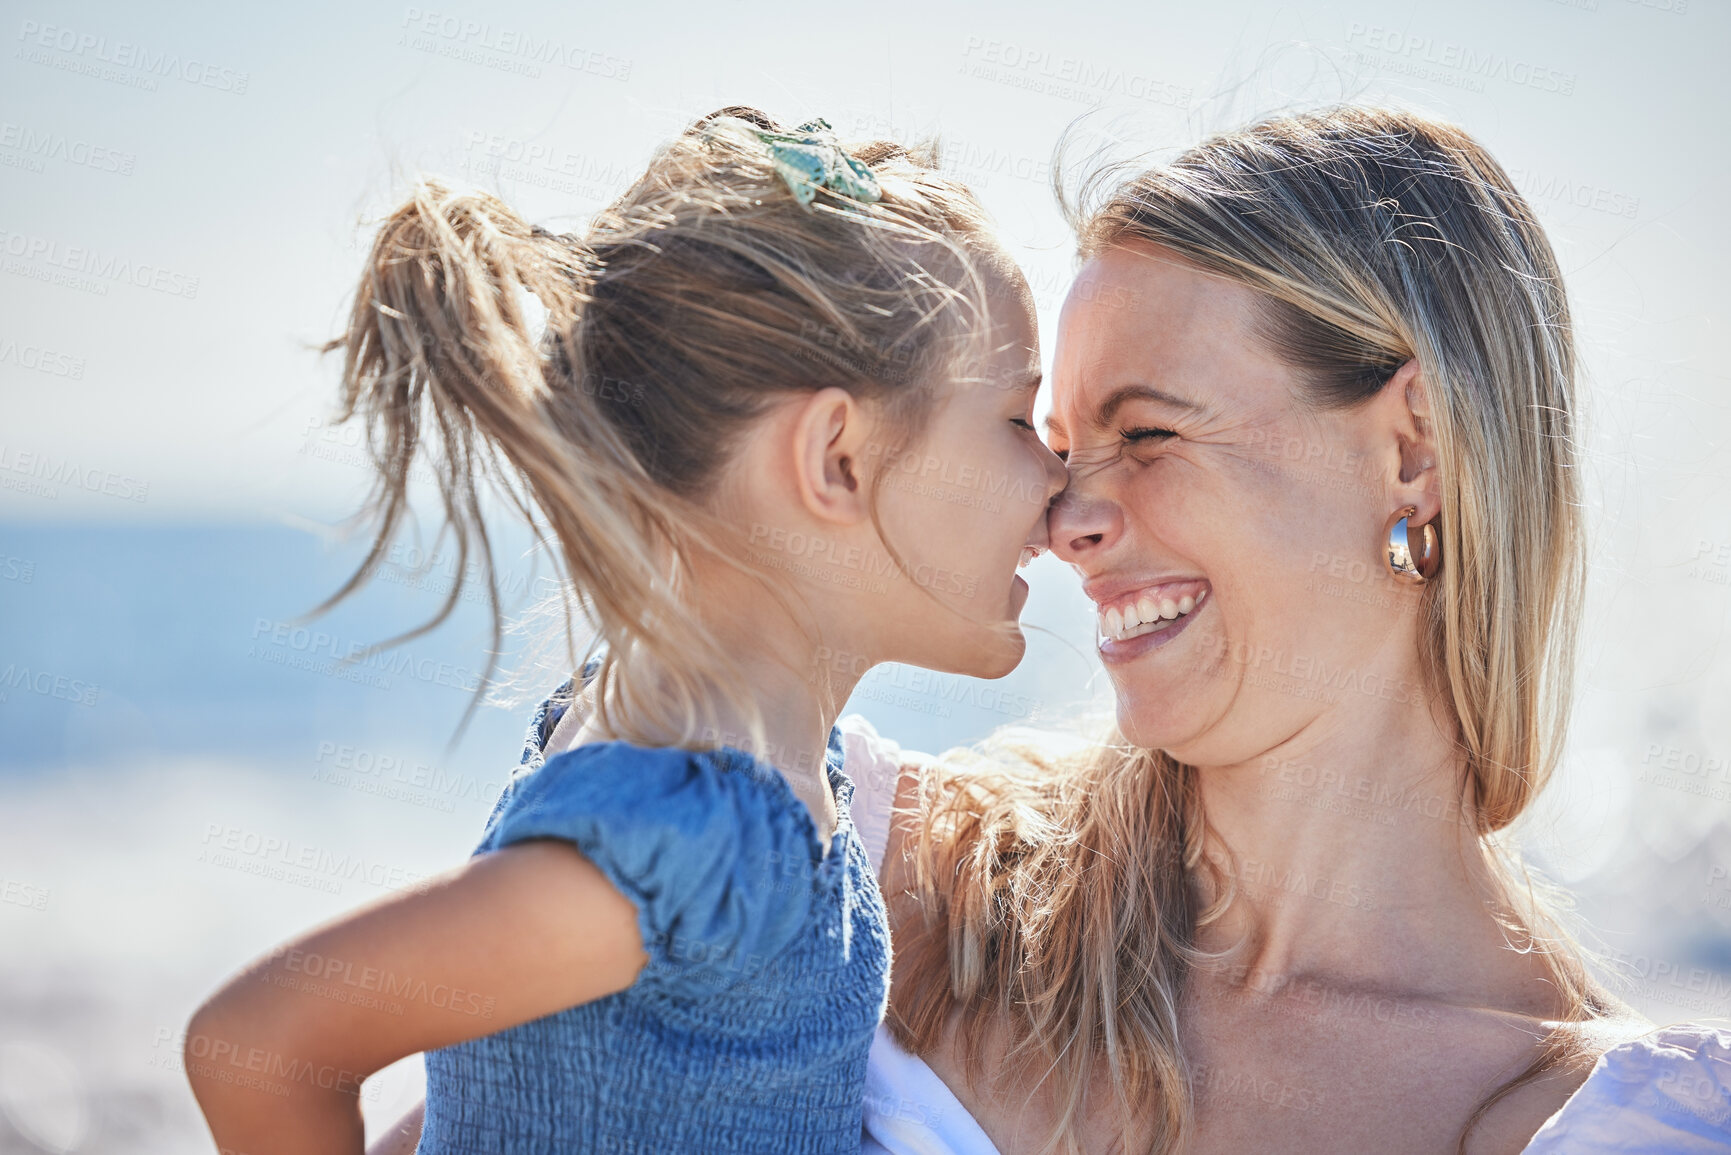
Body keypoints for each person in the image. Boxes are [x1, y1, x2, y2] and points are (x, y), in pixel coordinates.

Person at [183, 107, 1065, 1155]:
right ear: (838, 458)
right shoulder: (710, 828)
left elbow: (520, 1088)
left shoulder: (727, 766)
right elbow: (263, 1047)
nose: (1062, 480)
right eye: (1018, 419)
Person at [858, 106, 1731, 1154]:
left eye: (1146, 434)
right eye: (1057, 451)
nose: (1066, 521)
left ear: (1415, 450)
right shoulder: (886, 881)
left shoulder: (1621, 1126)